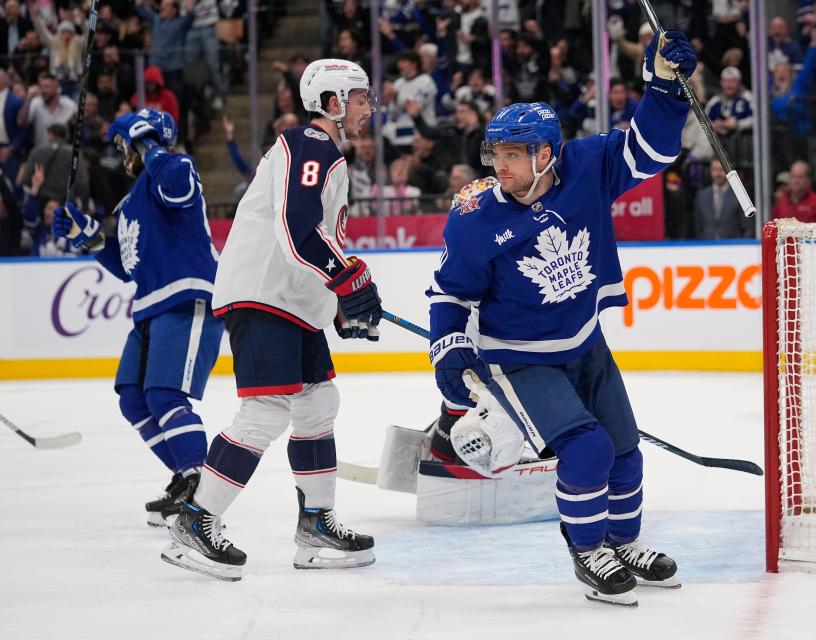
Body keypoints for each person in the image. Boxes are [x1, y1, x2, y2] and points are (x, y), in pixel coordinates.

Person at [426, 31, 696, 607]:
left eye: (511, 155)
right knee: (587, 450)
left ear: (546, 154)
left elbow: (651, 152)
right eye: (495, 154)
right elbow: (449, 292)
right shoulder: (476, 216)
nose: (500, 166)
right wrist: (448, 348)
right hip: (519, 360)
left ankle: (624, 543)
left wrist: (664, 88)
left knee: (625, 449)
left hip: (583, 343)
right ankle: (587, 549)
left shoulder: (587, 166)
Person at [161, 59, 382, 582]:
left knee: (317, 402)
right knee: (264, 412)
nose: (367, 107)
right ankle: (196, 519)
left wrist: (337, 306)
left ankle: (315, 524)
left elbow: (311, 238)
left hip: (292, 301)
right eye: (359, 97)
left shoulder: (325, 152)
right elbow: (297, 227)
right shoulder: (310, 143)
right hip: (264, 295)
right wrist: (346, 277)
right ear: (332, 102)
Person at [51, 109, 222, 527]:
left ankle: (202, 492)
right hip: (149, 306)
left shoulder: (175, 167)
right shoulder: (130, 202)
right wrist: (88, 237)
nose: (121, 152)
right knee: (132, 396)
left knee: (166, 397)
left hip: (185, 297)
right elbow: (128, 264)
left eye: (125, 143)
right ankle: (185, 477)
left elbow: (178, 189)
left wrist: (150, 147)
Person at [694, 158, 752, 239]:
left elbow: (747, 227)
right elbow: (698, 227)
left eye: (721, 169)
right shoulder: (701, 196)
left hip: (733, 247)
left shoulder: (739, 194)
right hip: (707, 247)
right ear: (710, 171)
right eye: (715, 169)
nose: (718, 174)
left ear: (727, 171)